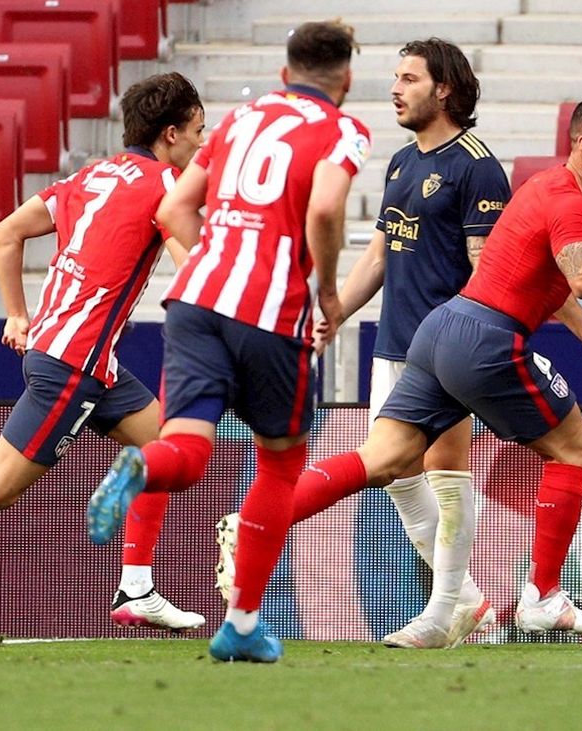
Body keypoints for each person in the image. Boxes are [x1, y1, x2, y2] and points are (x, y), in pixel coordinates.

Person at [278, 95, 582, 648]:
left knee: (380, 460)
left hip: (440, 330)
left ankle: (259, 523)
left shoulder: (545, 189)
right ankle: (542, 596)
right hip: (487, 341)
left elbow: (547, 283)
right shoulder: (570, 201)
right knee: (575, 448)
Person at [84, 21, 372, 663]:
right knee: (279, 461)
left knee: (183, 449)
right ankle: (241, 622)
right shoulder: (343, 128)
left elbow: (175, 210)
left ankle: (141, 466)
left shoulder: (240, 119)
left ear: (283, 72)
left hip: (194, 302)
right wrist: (326, 291)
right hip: (271, 313)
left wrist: (211, 261)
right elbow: (325, 209)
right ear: (345, 80)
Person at [213, 37, 509, 648]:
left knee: (443, 470)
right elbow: (379, 254)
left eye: (409, 79)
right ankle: (469, 600)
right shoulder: (402, 163)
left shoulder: (476, 165)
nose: (395, 89)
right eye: (396, 77)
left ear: (444, 89)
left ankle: (444, 610)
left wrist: (466, 338)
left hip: (446, 347)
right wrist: (334, 315)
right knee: (397, 475)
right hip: (393, 344)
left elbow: (488, 271)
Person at [0, 73, 207, 632]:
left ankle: (136, 587)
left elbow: (5, 232)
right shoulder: (165, 187)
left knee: (167, 450)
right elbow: (194, 267)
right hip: (75, 366)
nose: (200, 144)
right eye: (197, 132)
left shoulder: (91, 175)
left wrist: (18, 314)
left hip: (75, 355)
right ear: (170, 134)